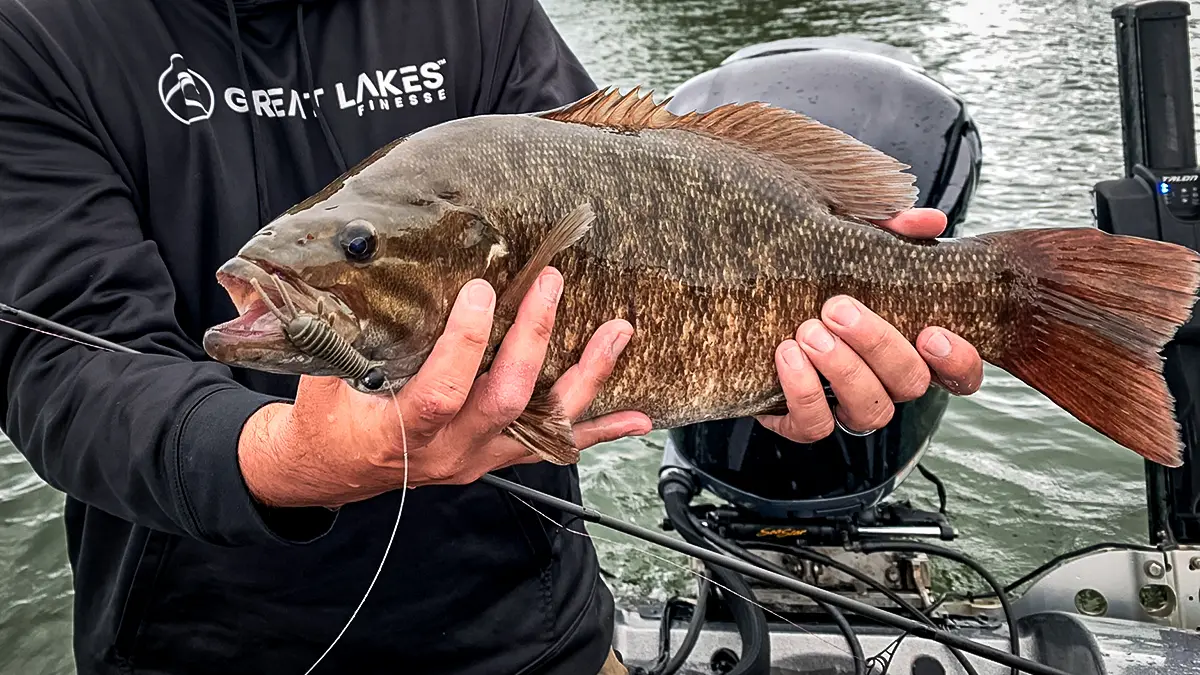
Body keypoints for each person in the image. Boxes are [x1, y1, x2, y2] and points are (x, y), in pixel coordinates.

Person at [0, 1, 984, 674]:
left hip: (536, 636)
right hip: (200, 650)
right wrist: (297, 458)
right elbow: (66, 364)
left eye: (351, 247)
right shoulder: (35, 35)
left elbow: (631, 190)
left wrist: (785, 378)